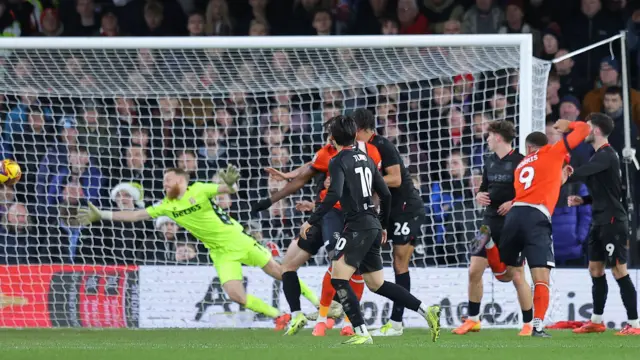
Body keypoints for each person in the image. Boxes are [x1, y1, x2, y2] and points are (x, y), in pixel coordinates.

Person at [76, 165, 317, 328]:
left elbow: (226, 189)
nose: (164, 183)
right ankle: (281, 317)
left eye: (168, 179)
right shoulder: (165, 206)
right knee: (236, 295)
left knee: (279, 271)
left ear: (181, 180)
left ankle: (318, 303)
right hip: (220, 253)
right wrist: (103, 214)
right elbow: (135, 215)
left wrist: (231, 184)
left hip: (238, 240)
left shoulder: (200, 189)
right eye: (163, 181)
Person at [298, 115, 440, 345]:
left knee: (338, 277)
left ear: (333, 139)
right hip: (372, 223)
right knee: (377, 284)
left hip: (356, 226)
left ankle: (360, 331)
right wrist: (383, 224)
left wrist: (311, 220)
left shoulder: (337, 161)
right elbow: (384, 194)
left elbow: (333, 195)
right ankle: (426, 310)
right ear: (355, 135)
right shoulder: (366, 158)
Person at [252, 117, 382, 337]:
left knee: (345, 266)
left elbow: (376, 188)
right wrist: (272, 199)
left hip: (348, 218)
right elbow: (304, 175)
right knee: (287, 265)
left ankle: (343, 319)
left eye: (330, 132)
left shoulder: (370, 153)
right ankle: (297, 315)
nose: (328, 136)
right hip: (322, 215)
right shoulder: (326, 153)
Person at [471, 119, 591, 337]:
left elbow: (537, 186)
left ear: (528, 148)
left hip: (514, 216)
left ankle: (489, 243)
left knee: (504, 275)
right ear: (544, 145)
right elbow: (584, 130)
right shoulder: (553, 153)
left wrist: (560, 177)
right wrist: (568, 126)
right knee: (541, 277)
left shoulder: (522, 165)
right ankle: (536, 326)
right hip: (536, 217)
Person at [453, 121, 533, 336]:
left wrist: (514, 202)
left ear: (498, 137)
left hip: (513, 224)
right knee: (474, 271)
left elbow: (531, 192)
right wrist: (479, 194)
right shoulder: (489, 161)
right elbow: (484, 188)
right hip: (488, 222)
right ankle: (473, 320)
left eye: (489, 136)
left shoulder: (522, 162)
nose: (486, 139)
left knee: (516, 275)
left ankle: (528, 324)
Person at [352, 108, 426, 336]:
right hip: (387, 212)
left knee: (399, 262)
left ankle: (396, 323)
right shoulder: (361, 148)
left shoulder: (383, 145)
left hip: (406, 209)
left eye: (353, 130)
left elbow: (395, 178)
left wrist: (366, 181)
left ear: (362, 129)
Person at [566, 113, 640, 336]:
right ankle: (597, 321)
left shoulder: (606, 154)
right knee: (595, 270)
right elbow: (610, 191)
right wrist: (585, 200)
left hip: (612, 221)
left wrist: (561, 174)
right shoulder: (599, 156)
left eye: (586, 127)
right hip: (599, 219)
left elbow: (580, 174)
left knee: (619, 270)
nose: (583, 132)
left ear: (596, 131)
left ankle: (635, 325)